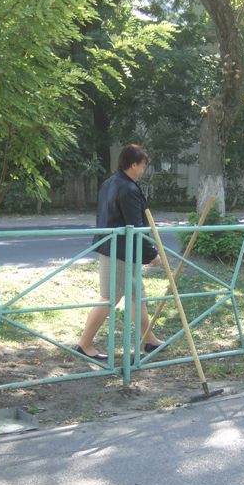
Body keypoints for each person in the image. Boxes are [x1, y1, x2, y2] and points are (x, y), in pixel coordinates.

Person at [76, 144, 163, 361]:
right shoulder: (128, 189)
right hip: (120, 252)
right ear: (133, 165)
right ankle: (84, 344)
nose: (143, 170)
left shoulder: (110, 183)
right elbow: (136, 227)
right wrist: (151, 254)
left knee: (137, 295)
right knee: (109, 298)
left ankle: (149, 339)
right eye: (142, 166)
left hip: (113, 248)